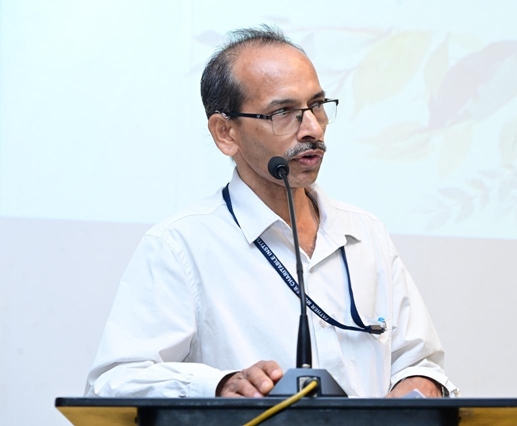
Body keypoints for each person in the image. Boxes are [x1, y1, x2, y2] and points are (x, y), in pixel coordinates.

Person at [85, 25, 458, 399]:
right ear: (225, 133)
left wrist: (419, 389)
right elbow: (113, 385)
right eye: (283, 112)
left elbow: (419, 363)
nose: (312, 129)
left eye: (317, 106)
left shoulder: (365, 234)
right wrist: (218, 386)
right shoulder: (180, 246)